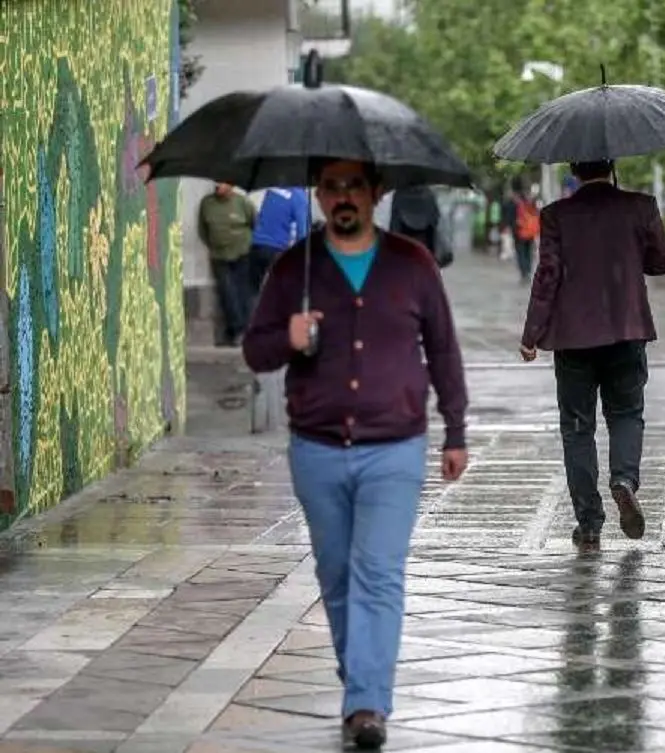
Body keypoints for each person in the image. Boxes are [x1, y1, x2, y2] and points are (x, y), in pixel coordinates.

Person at [242, 160, 468, 750]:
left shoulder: (412, 265)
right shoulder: (295, 269)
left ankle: (367, 703)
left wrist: (456, 431)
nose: (343, 198)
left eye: (354, 187)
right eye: (332, 187)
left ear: (376, 194)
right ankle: (360, 679)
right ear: (319, 196)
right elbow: (255, 351)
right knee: (337, 574)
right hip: (316, 450)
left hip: (395, 447)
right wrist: (285, 338)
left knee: (379, 573)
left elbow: (443, 347)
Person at [518, 160, 665, 551]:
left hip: (573, 339)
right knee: (625, 415)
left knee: (577, 429)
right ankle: (624, 480)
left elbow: (547, 276)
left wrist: (531, 333)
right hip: (626, 332)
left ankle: (589, 524)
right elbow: (662, 262)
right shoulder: (640, 206)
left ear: (574, 167)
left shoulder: (556, 215)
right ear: (612, 165)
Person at [197, 182, 256, 346]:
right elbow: (202, 229)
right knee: (227, 293)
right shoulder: (207, 203)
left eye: (222, 183)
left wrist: (246, 244)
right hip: (219, 255)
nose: (218, 186)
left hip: (242, 253)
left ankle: (245, 330)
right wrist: (212, 245)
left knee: (242, 291)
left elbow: (254, 222)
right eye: (216, 183)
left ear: (231, 185)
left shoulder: (242, 202)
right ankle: (236, 329)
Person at [249, 185, 310, 291]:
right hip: (277, 247)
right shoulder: (299, 196)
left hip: (257, 244)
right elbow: (302, 231)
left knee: (254, 288)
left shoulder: (272, 190)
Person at [388, 185, 450, 268]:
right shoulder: (429, 194)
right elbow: (435, 221)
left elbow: (394, 225)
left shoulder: (399, 194)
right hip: (425, 249)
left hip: (405, 249)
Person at [500, 178, 539, 282]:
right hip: (529, 230)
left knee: (520, 251)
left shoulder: (512, 201)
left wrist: (506, 226)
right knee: (528, 251)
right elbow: (535, 212)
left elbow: (508, 216)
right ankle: (528, 270)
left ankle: (524, 273)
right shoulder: (528, 199)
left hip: (518, 230)